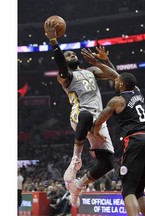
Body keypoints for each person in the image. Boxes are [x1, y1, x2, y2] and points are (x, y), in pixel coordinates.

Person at [44, 20, 119, 208]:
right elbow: (61, 64)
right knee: (85, 114)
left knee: (108, 163)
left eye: (73, 53)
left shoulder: (91, 71)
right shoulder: (66, 77)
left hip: (99, 120)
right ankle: (75, 159)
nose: (72, 55)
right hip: (79, 117)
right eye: (68, 54)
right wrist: (54, 43)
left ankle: (78, 186)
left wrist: (104, 61)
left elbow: (116, 76)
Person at [81, 51, 145, 216]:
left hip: (137, 141)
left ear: (121, 85)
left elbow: (100, 120)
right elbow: (116, 76)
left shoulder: (117, 101)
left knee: (128, 190)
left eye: (117, 82)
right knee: (139, 191)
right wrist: (105, 60)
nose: (115, 82)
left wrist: (95, 132)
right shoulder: (136, 91)